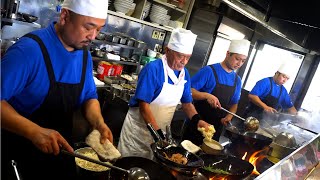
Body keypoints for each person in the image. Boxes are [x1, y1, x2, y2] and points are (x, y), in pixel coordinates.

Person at [1, 0, 113, 179]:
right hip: (21, 156)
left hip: (60, 155)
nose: (93, 36)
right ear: (65, 16)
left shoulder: (84, 55)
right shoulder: (29, 51)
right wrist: (33, 131)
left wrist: (98, 123)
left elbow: (89, 96)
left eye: (99, 29)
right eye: (88, 27)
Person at [117, 28, 212, 159]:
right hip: (138, 132)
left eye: (188, 57)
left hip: (160, 135)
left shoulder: (184, 74)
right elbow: (144, 107)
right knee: (130, 166)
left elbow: (187, 103)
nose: (184, 61)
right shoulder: (153, 69)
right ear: (168, 50)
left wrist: (197, 120)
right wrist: (159, 135)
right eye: (180, 56)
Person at [182, 39, 251, 145]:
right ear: (228, 54)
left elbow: (234, 104)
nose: (239, 63)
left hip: (216, 130)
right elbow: (188, 91)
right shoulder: (209, 71)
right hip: (197, 124)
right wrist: (206, 95)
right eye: (237, 59)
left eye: (243, 61)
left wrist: (228, 117)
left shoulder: (237, 80)